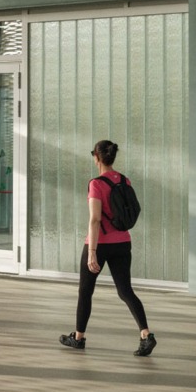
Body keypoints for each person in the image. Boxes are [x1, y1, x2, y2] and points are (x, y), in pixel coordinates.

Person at [59, 139, 155, 357]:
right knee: (125, 291)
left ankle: (79, 337)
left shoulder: (96, 184)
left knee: (85, 291)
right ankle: (146, 335)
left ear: (96, 158)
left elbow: (94, 219)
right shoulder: (124, 180)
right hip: (123, 242)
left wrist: (92, 252)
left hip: (100, 244)